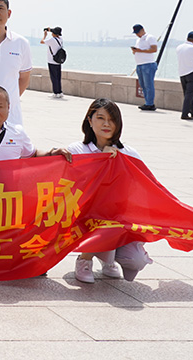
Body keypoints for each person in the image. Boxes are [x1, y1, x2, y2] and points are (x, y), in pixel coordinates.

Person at [66, 98, 151, 282]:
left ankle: (108, 259)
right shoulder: (77, 150)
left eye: (112, 120)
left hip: (120, 220)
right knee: (100, 212)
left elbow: (144, 188)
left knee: (136, 260)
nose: (106, 124)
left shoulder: (129, 153)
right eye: (101, 118)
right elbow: (74, 187)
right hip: (85, 216)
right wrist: (101, 163)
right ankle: (85, 259)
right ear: (90, 120)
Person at [131, 23, 159, 111]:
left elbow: (154, 49)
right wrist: (135, 51)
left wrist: (140, 51)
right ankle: (147, 102)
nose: (137, 34)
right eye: (136, 33)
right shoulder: (138, 40)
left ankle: (150, 103)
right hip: (140, 65)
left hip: (148, 64)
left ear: (143, 30)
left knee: (148, 85)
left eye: (138, 32)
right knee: (143, 85)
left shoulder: (150, 37)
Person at [41, 26, 65, 98]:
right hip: (58, 61)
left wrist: (45, 35)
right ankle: (59, 92)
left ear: (54, 33)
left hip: (52, 61)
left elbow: (42, 41)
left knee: (53, 77)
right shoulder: (60, 39)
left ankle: (55, 93)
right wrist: (50, 30)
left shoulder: (51, 40)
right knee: (58, 77)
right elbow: (55, 32)